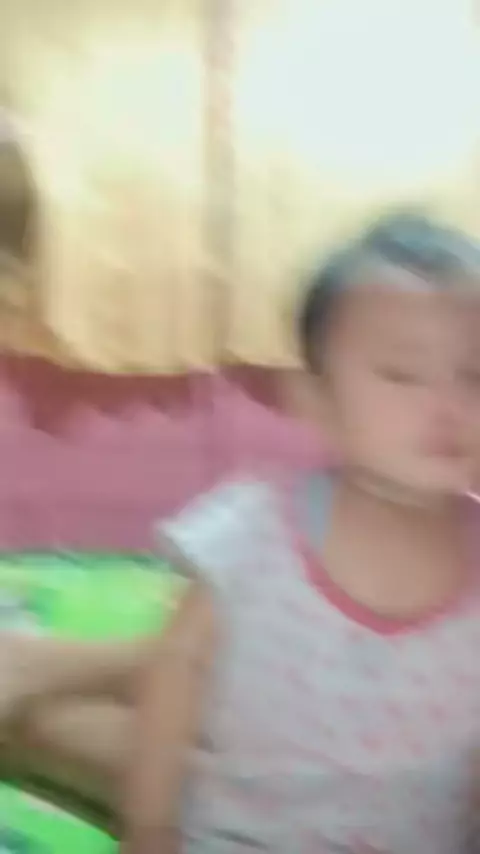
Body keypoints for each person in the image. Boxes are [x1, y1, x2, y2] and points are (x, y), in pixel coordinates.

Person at [2, 211, 480, 851]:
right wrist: (150, 828)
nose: (448, 406)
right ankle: (27, 693)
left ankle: (29, 696)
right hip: (240, 829)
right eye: (402, 375)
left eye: (475, 376)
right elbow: (176, 676)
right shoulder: (256, 530)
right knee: (209, 747)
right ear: (316, 402)